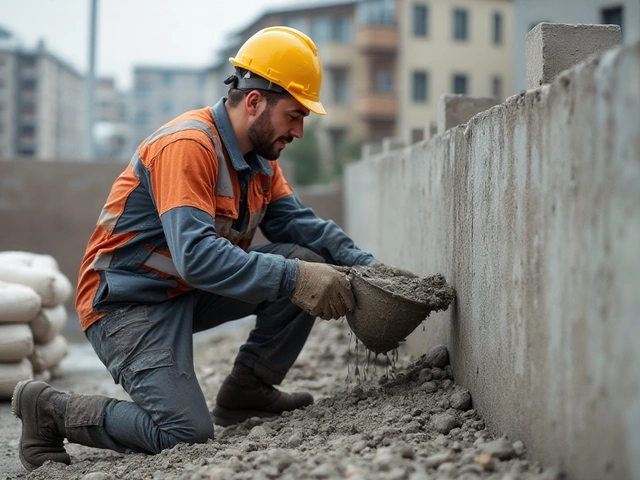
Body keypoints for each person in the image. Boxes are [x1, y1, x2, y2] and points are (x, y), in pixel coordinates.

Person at [11, 26, 409, 471]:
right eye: (294, 115)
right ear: (255, 101)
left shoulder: (261, 161)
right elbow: (197, 256)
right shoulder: (188, 146)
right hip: (125, 304)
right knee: (183, 433)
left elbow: (300, 225)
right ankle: (49, 410)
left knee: (307, 263)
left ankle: (247, 392)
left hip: (183, 292)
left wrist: (371, 269)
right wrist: (296, 279)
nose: (298, 130)